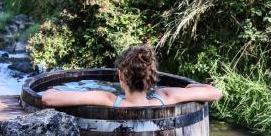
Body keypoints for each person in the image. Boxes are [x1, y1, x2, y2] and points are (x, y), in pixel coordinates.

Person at [41, 44, 222, 108]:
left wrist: (52, 89)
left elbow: (48, 98)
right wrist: (191, 87)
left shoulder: (108, 99)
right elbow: (215, 93)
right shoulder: (165, 97)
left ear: (121, 76)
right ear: (152, 78)